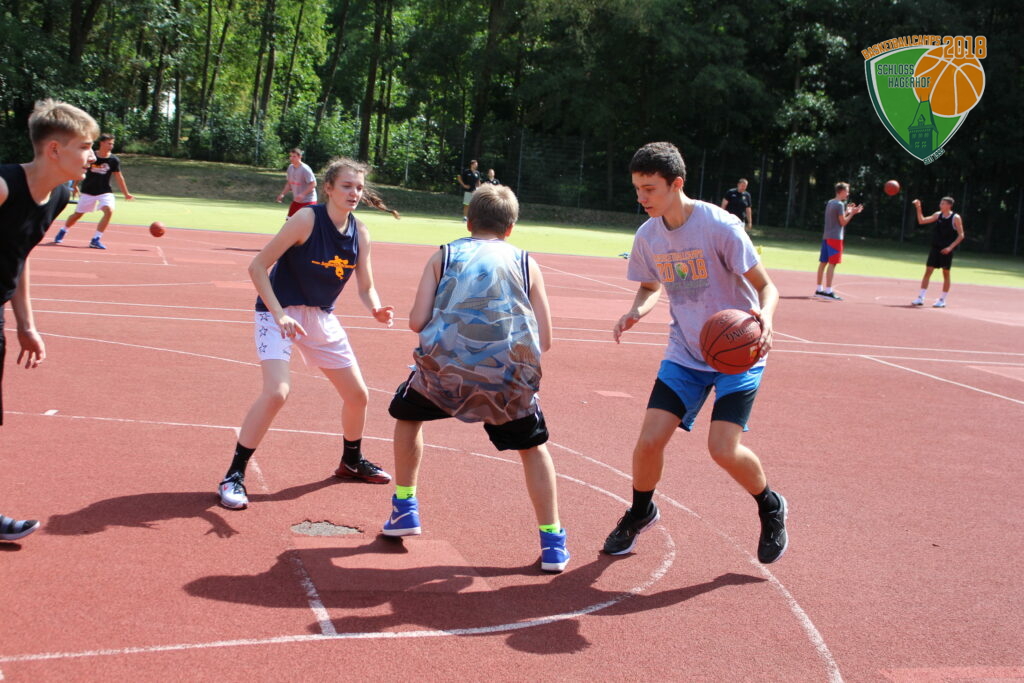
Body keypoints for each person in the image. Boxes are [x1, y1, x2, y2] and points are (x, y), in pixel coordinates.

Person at [602, 142, 787, 564]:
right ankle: (641, 511)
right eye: (637, 188)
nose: (641, 197)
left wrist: (765, 318)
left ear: (676, 184)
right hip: (685, 352)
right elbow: (650, 286)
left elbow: (767, 287)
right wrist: (636, 311)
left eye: (650, 189)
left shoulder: (720, 226)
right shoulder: (648, 236)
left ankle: (770, 505)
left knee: (722, 448)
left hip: (737, 353)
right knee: (649, 442)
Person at [380, 184, 569, 573]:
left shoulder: (444, 255)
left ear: (468, 222)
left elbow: (416, 321)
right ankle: (553, 542)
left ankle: (405, 507)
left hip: (444, 375)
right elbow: (545, 340)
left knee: (407, 414)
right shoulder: (526, 263)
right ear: (510, 228)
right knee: (532, 447)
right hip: (508, 380)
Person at [218, 158, 399, 511]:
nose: (354, 193)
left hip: (319, 317)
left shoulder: (360, 232)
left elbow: (366, 287)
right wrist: (280, 314)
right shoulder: (306, 220)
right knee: (277, 392)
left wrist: (376, 308)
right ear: (328, 188)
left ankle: (351, 461)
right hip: (278, 311)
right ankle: (233, 475)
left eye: (359, 188)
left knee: (358, 395)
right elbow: (257, 266)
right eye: (347, 186)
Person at [1, 99, 99, 541]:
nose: (92, 156)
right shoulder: (4, 186)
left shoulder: (58, 196)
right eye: (85, 146)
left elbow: (19, 256)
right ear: (54, 150)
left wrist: (27, 325)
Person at [53, 133, 133, 249]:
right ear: (102, 143)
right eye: (109, 143)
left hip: (105, 191)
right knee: (77, 215)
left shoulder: (113, 160)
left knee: (109, 211)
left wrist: (126, 193)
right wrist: (75, 185)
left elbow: (119, 177)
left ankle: (96, 239)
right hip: (88, 191)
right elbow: (81, 169)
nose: (111, 146)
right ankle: (63, 230)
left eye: (112, 144)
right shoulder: (91, 156)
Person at [911, 197, 965, 308]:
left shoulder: (955, 217)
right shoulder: (938, 215)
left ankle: (942, 300)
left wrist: (950, 247)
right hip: (935, 248)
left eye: (943, 203)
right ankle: (920, 297)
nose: (940, 205)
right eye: (941, 203)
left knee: (946, 273)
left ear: (949, 205)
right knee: (928, 271)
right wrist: (918, 207)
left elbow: (961, 235)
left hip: (946, 250)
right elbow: (922, 221)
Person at [814, 182, 863, 301]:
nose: (848, 193)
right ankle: (828, 291)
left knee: (823, 262)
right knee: (832, 263)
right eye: (847, 191)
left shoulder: (831, 202)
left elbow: (837, 218)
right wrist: (852, 213)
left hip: (826, 236)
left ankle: (819, 289)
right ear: (841, 191)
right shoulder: (840, 204)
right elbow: (843, 222)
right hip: (835, 238)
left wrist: (848, 211)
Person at [276, 148, 318, 217]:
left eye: (294, 156)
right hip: (297, 201)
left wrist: (302, 194)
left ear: (300, 157)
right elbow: (289, 183)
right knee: (289, 220)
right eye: (290, 156)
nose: (291, 158)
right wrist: (282, 194)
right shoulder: (290, 168)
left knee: (306, 221)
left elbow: (313, 184)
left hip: (308, 201)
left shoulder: (305, 169)